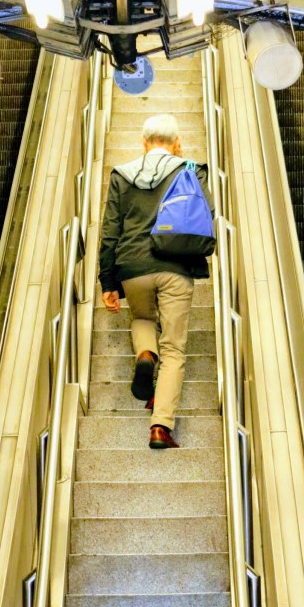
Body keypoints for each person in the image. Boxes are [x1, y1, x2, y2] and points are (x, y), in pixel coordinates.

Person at [99, 113, 213, 449]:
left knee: (143, 319)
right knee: (174, 349)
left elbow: (109, 232)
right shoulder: (190, 170)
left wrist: (108, 282)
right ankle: (160, 427)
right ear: (176, 143)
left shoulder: (121, 175)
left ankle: (146, 354)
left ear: (144, 142)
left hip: (132, 267)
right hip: (176, 265)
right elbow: (207, 214)